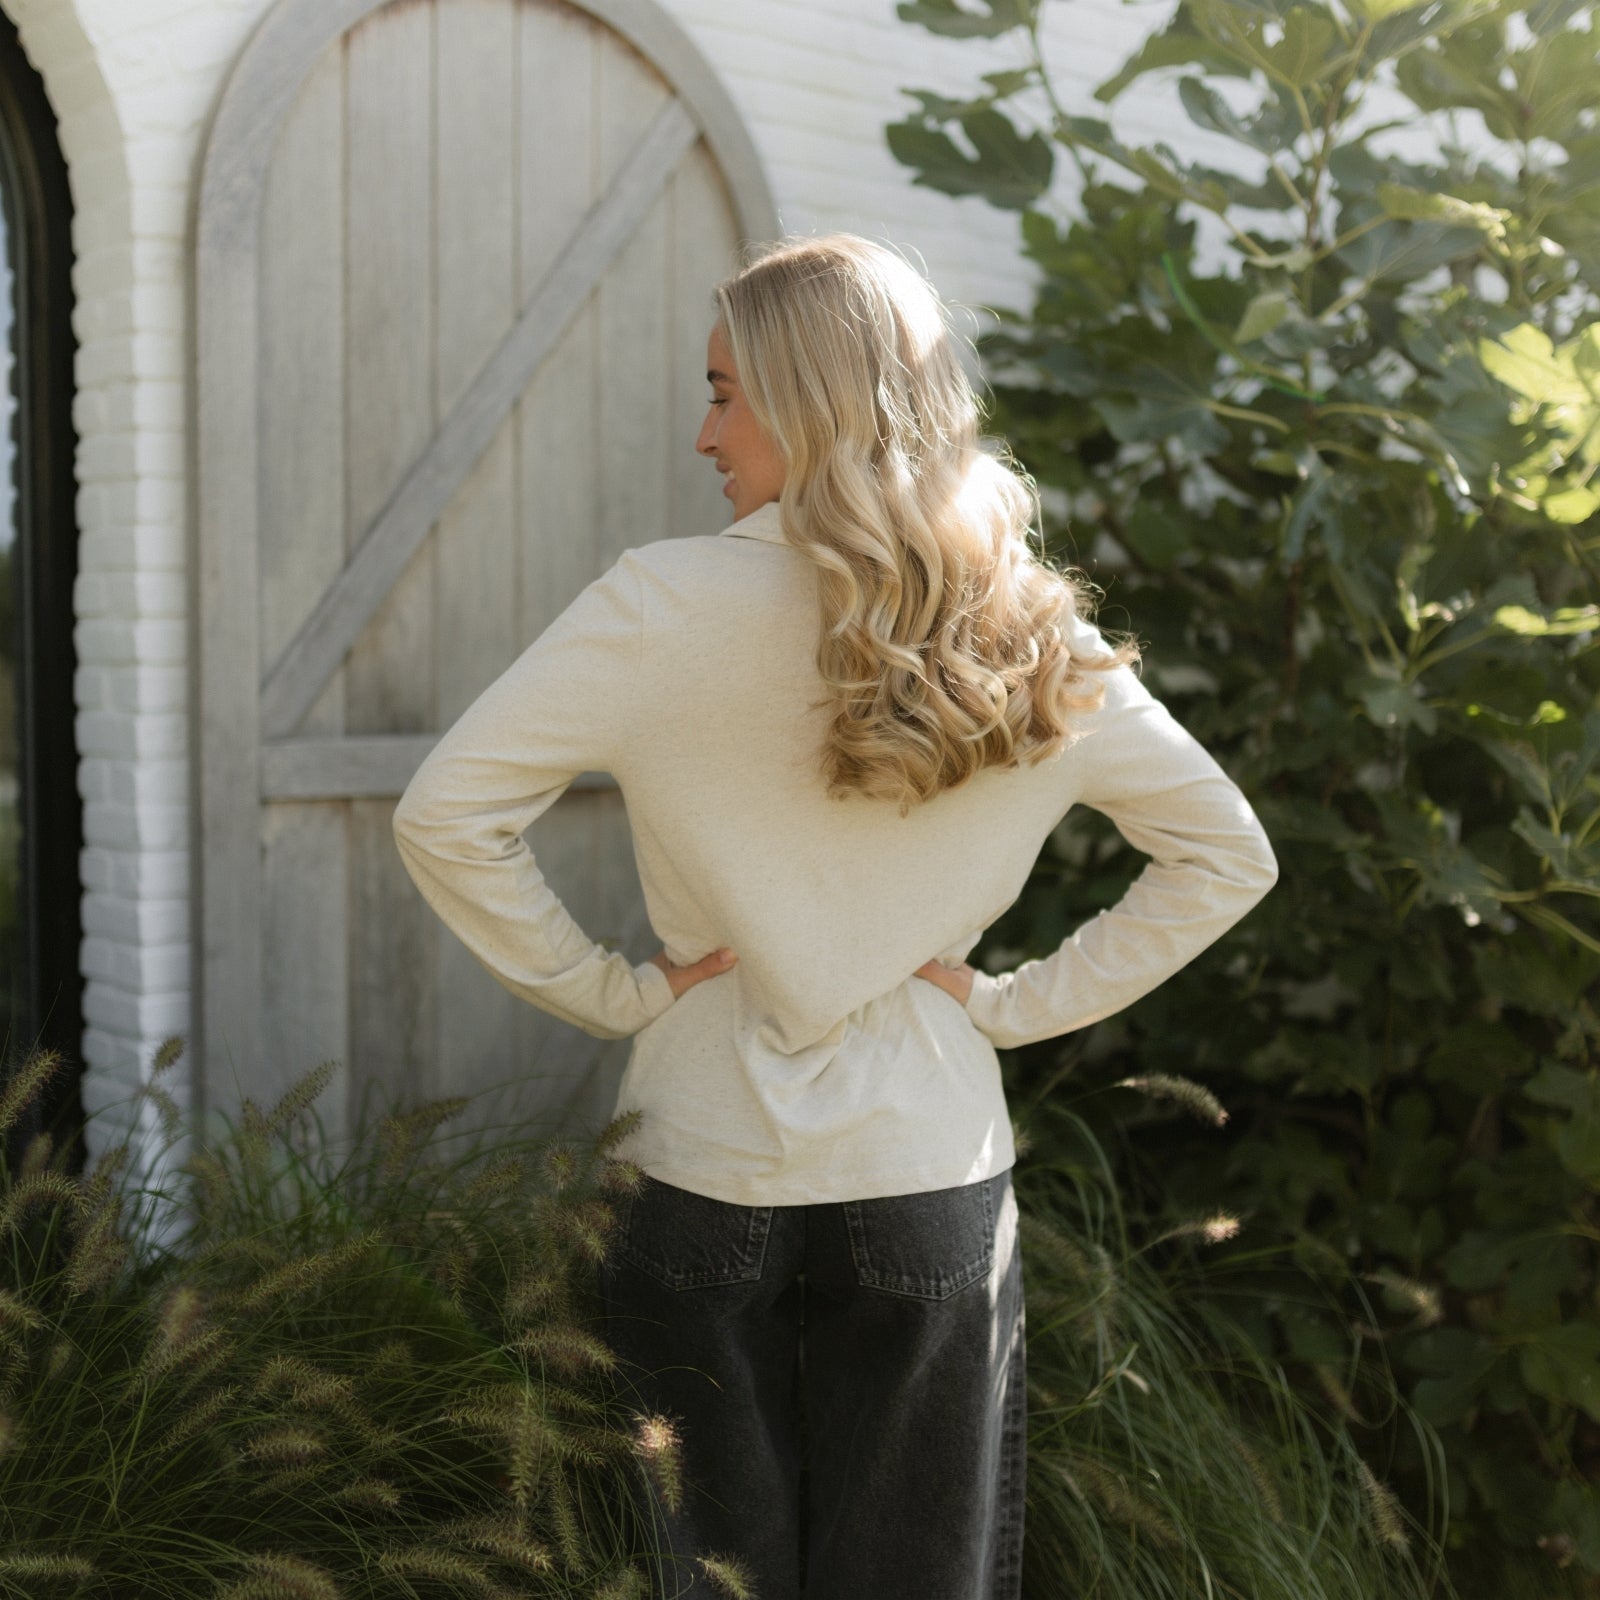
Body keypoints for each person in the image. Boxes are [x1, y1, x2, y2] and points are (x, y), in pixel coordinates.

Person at [391, 233, 1278, 1600]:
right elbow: (1225, 853)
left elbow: (445, 815)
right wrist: (1012, 1008)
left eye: (723, 395)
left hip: (698, 1162)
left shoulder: (655, 604)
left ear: (808, 405)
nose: (703, 435)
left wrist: (611, 993)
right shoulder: (1030, 628)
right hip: (929, 1169)